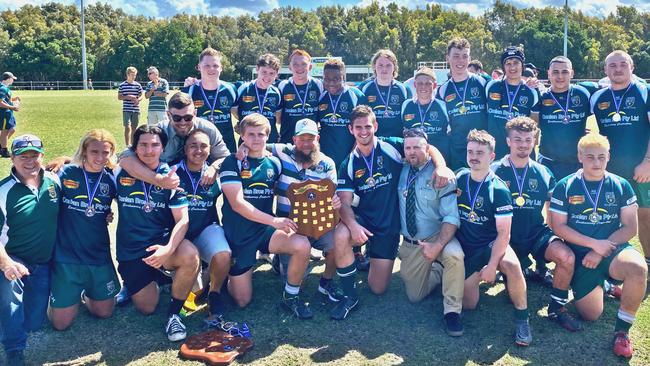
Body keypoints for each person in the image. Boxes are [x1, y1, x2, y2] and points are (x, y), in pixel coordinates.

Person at [332, 105, 452, 320]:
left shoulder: (392, 147)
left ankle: (369, 261)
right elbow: (345, 203)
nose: (363, 131)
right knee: (341, 234)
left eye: (368, 126)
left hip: (388, 227)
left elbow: (428, 147)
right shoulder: (348, 163)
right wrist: (353, 226)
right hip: (364, 222)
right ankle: (349, 296)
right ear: (350, 129)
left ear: (375, 126)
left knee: (378, 288)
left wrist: (441, 166)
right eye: (358, 127)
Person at [550, 133, 647, 358]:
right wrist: (593, 246)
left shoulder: (621, 185)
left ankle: (622, 333)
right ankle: (605, 287)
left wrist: (601, 248)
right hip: (582, 255)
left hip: (613, 250)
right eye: (590, 157)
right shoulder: (565, 186)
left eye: (601, 157)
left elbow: (630, 228)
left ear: (608, 157)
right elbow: (559, 227)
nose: (596, 162)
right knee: (591, 314)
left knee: (638, 268)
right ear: (580, 156)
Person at [491, 117, 582, 332]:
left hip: (535, 233)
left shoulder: (543, 172)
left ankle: (557, 308)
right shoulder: (494, 169)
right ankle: (521, 269)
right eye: (517, 139)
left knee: (566, 257)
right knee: (511, 293)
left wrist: (554, 236)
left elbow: (552, 210)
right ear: (508, 141)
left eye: (528, 140)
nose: (523, 144)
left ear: (535, 142)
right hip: (506, 237)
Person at [219, 113, 312, 318]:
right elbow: (237, 205)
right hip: (239, 235)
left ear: (268, 136)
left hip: (263, 232)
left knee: (302, 244)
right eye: (250, 134)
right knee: (242, 301)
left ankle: (291, 297)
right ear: (242, 136)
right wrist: (274, 221)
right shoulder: (232, 163)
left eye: (261, 134)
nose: (256, 139)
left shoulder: (274, 164)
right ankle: (223, 274)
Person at [114, 125, 199, 342]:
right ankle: (156, 279)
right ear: (135, 148)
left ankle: (174, 315)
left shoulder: (171, 175)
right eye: (143, 144)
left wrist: (169, 248)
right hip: (131, 249)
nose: (149, 150)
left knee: (190, 254)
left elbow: (183, 220)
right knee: (147, 307)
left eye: (154, 145)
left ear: (163, 148)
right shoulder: (119, 171)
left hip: (160, 244)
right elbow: (89, 165)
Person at [455, 129, 532, 346]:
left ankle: (522, 319)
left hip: (490, 244)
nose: (474, 156)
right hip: (466, 247)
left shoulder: (497, 189)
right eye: (470, 151)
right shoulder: (459, 177)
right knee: (469, 304)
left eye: (480, 152)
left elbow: (503, 234)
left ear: (491, 156)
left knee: (512, 265)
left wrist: (491, 265)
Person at [48, 129, 120, 330]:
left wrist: (108, 214)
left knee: (104, 313)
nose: (100, 157)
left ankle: (85, 292)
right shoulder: (65, 172)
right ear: (84, 151)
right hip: (66, 255)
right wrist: (62, 159)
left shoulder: (112, 179)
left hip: (97, 253)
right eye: (94, 151)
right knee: (60, 325)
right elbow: (37, 174)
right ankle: (65, 293)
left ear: (112, 152)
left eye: (105, 152)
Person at [397, 128, 465, 336]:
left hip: (438, 236)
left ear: (427, 148)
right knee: (414, 296)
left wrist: (437, 246)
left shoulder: (442, 176)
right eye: (408, 148)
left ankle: (452, 312)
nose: (412, 152)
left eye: (417, 147)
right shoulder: (399, 167)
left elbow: (451, 218)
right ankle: (438, 271)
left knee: (455, 255)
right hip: (412, 243)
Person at [0, 134, 60, 365]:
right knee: (10, 300)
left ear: (42, 157)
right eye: (23, 156)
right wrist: (6, 263)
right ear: (12, 159)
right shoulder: (3, 192)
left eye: (34, 156)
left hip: (42, 263)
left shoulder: (54, 182)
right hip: (13, 259)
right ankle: (14, 350)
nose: (29, 161)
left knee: (33, 323)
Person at [589, 50, 650, 273]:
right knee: (607, 218)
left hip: (641, 169)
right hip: (609, 171)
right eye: (612, 66)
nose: (617, 69)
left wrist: (648, 162)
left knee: (645, 216)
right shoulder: (597, 97)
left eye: (622, 65)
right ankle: (608, 264)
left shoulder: (644, 91)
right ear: (605, 70)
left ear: (632, 67)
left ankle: (649, 262)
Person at [174, 129, 231, 324]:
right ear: (185, 149)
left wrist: (215, 167)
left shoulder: (217, 173)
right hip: (179, 234)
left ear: (210, 149)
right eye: (193, 146)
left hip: (206, 228)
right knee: (187, 288)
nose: (198, 150)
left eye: (204, 146)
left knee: (223, 254)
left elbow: (236, 156)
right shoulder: (171, 171)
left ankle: (214, 294)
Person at [119, 92, 230, 189]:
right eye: (177, 118)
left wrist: (214, 168)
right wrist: (158, 180)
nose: (183, 122)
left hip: (198, 185)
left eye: (188, 117)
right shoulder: (158, 131)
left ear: (195, 114)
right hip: (162, 189)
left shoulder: (208, 130)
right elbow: (125, 158)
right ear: (168, 115)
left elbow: (224, 157)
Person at [535, 56, 591, 181]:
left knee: (577, 199)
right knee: (550, 199)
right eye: (555, 72)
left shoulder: (583, 94)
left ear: (572, 73)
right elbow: (533, 125)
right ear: (549, 74)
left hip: (578, 161)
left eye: (564, 72)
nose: (560, 76)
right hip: (548, 161)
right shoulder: (541, 96)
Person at [436, 38, 488, 170]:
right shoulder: (442, 90)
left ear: (469, 59)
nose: (460, 61)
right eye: (456, 56)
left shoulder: (483, 83)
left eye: (465, 56)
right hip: (457, 151)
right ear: (448, 58)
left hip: (481, 149)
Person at [485, 47, 540, 159]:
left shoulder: (532, 91)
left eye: (516, 62)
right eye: (508, 63)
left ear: (522, 66)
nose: (512, 67)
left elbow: (534, 125)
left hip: (521, 153)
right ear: (503, 67)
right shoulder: (491, 86)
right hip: (495, 153)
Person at [182, 48, 238, 152]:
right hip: (198, 149)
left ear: (221, 68)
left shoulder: (231, 89)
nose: (211, 69)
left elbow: (238, 114)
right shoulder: (189, 90)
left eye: (215, 65)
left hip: (226, 147)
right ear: (199, 67)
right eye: (207, 65)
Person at [317, 59, 366, 169]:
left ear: (343, 77)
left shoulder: (356, 96)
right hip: (325, 158)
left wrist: (354, 154)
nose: (331, 83)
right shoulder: (320, 97)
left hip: (350, 156)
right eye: (327, 79)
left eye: (336, 79)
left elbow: (364, 130)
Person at [402, 67, 450, 162]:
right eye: (420, 83)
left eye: (428, 84)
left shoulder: (442, 105)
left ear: (435, 85)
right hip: (415, 159)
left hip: (440, 158)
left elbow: (450, 132)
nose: (423, 87)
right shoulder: (406, 105)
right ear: (415, 85)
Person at [360, 49, 411, 138]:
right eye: (380, 65)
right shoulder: (365, 88)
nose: (384, 69)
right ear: (374, 66)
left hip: (397, 140)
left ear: (394, 67)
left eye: (388, 65)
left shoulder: (404, 89)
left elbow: (409, 117)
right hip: (373, 140)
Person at [235, 54, 283, 144]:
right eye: (264, 72)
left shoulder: (276, 92)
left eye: (271, 73)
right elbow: (234, 111)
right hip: (247, 141)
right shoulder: (244, 89)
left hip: (270, 141)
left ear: (276, 74)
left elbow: (278, 117)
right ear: (257, 69)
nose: (267, 77)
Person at [277, 50, 323, 143]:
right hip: (288, 139)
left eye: (303, 64)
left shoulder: (318, 85)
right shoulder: (283, 85)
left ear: (310, 67)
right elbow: (278, 116)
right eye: (295, 64)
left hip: (310, 140)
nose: (299, 67)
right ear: (290, 67)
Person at [117, 66, 143, 146]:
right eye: (132, 75)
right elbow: (119, 97)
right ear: (127, 74)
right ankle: (127, 145)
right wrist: (128, 97)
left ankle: (132, 145)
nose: (134, 76)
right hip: (126, 109)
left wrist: (138, 100)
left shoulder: (138, 85)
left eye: (135, 75)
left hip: (136, 110)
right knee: (127, 127)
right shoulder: (122, 85)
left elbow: (141, 95)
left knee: (134, 128)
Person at [0, 72, 19, 158]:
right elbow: (0, 103)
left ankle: (1, 144)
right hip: (4, 113)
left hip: (8, 113)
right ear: (9, 78)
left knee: (12, 129)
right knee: (5, 131)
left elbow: (5, 99)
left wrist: (14, 99)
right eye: (12, 79)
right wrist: (12, 107)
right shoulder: (3, 88)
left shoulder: (5, 88)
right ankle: (4, 150)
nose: (13, 81)